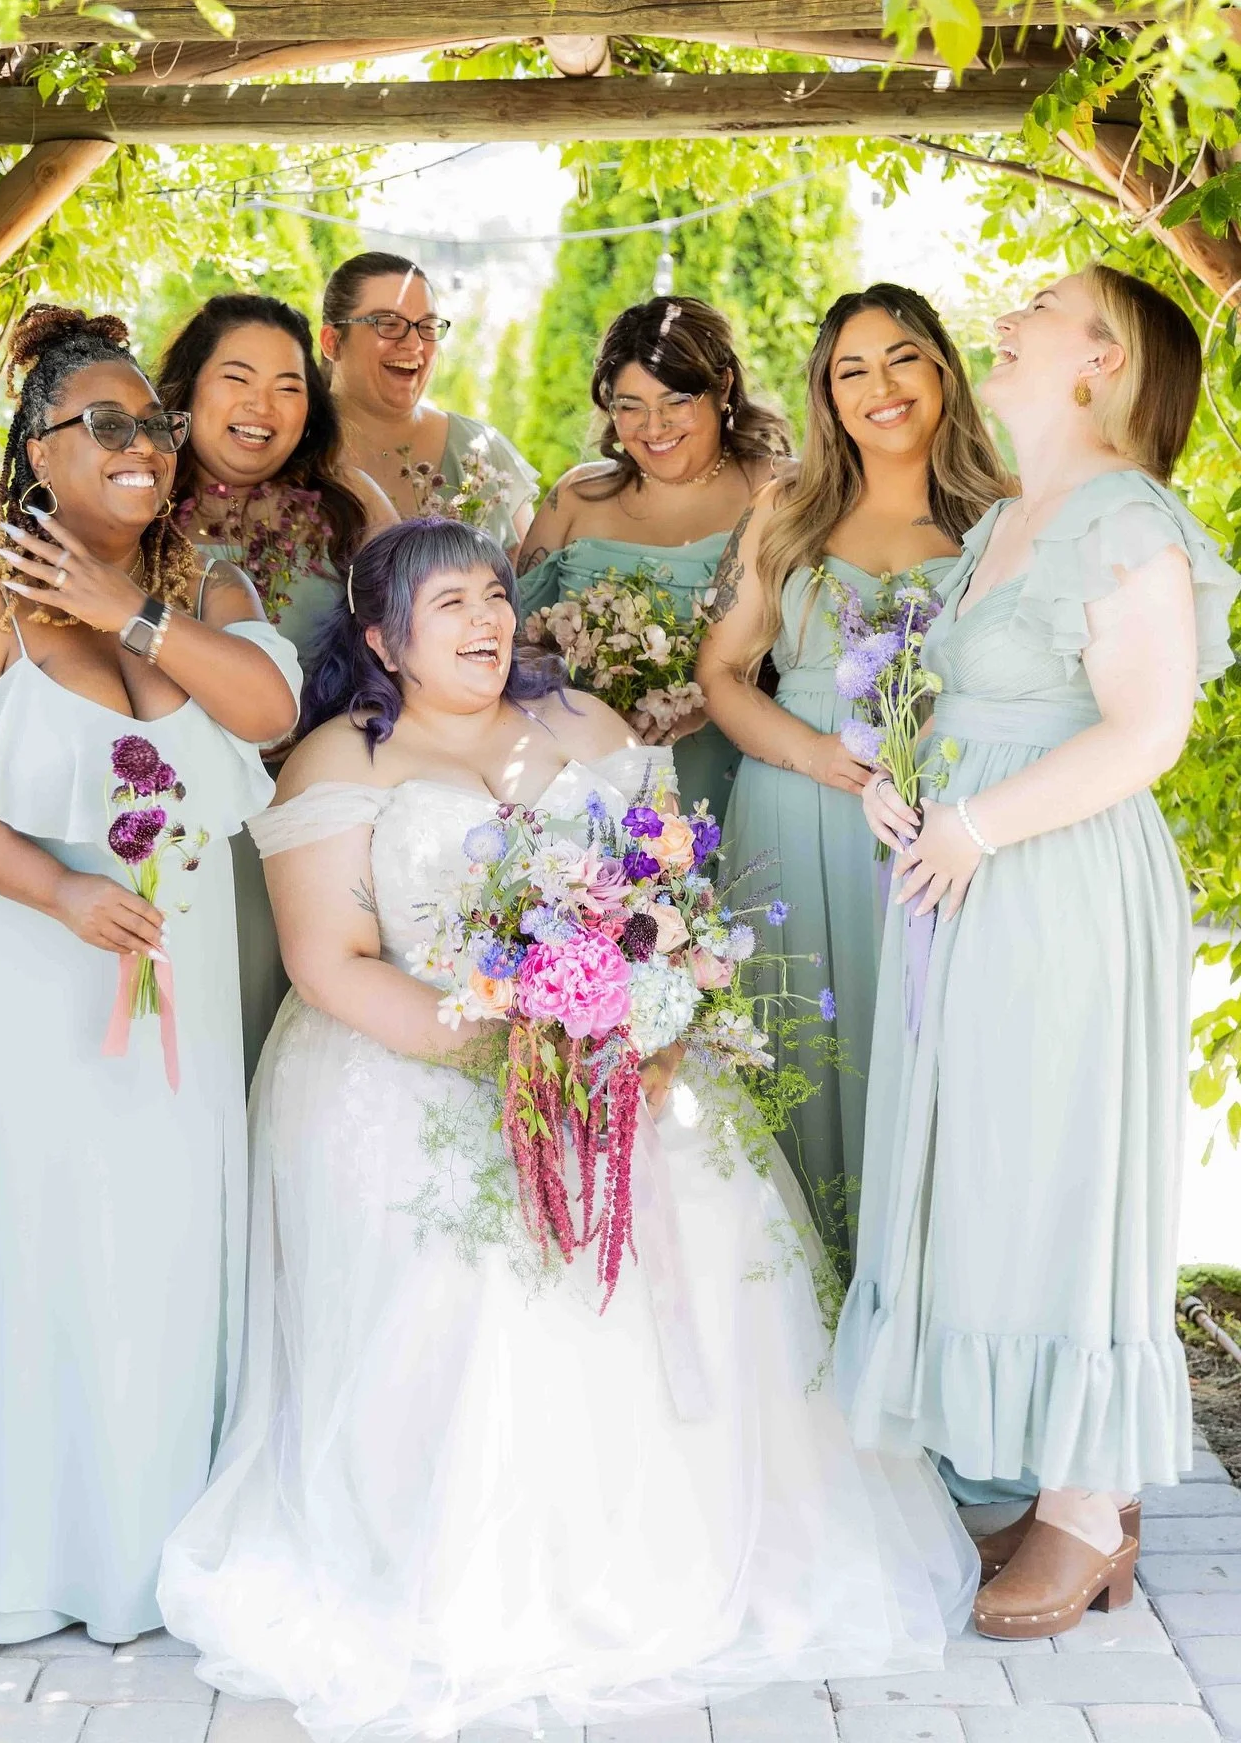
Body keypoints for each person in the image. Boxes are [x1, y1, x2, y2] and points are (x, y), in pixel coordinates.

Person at [158, 516, 977, 1738]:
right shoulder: (338, 764)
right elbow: (330, 962)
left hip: (612, 1048)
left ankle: (700, 1544)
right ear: (384, 639)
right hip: (409, 1052)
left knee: (704, 1214)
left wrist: (642, 1024)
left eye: (494, 595)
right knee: (485, 1267)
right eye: (451, 607)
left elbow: (664, 896)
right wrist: (510, 1052)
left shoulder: (582, 726)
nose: (488, 621)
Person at [0, 306, 300, 1644]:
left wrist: (128, 615)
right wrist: (65, 888)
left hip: (176, 980)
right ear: (38, 451)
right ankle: (20, 1557)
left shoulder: (203, 585)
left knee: (156, 1253)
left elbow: (264, 714)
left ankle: (150, 1552)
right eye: (107, 424)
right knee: (42, 1249)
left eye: (154, 423)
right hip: (37, 980)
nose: (142, 446)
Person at [836, 264, 1240, 1639]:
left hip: (1052, 878)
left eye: (1045, 304)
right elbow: (972, 705)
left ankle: (1085, 1501)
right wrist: (894, 779)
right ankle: (1051, 1474)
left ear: (1102, 359)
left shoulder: (1125, 518)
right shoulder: (1013, 517)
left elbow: (1146, 733)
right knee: (990, 1166)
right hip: (969, 871)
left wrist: (980, 822)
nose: (1008, 312)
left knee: (1054, 1162)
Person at [696, 285, 1014, 1270]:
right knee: (793, 1055)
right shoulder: (786, 509)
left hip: (935, 830)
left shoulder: (1002, 516)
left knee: (930, 1053)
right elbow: (721, 675)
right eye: (851, 370)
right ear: (827, 397)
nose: (880, 387)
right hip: (793, 813)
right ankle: (805, 1315)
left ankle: (924, 1291)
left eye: (903, 358)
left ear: (944, 370)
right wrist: (817, 753)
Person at [158, 292, 397, 1080]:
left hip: (321, 828)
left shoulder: (350, 508)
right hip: (176, 829)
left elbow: (413, 656)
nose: (263, 406)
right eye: (237, 378)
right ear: (188, 390)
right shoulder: (138, 505)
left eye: (289, 386)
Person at [517, 295, 791, 823]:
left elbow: (820, 652)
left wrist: (708, 703)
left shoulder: (783, 490)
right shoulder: (574, 498)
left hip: (744, 777)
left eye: (675, 401)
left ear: (724, 388)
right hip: (592, 780)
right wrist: (594, 705)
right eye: (630, 406)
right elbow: (511, 645)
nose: (653, 426)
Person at [320, 249, 538, 552]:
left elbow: (525, 588)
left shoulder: (479, 453)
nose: (414, 344)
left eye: (427, 326)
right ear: (332, 342)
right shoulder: (289, 450)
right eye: (389, 323)